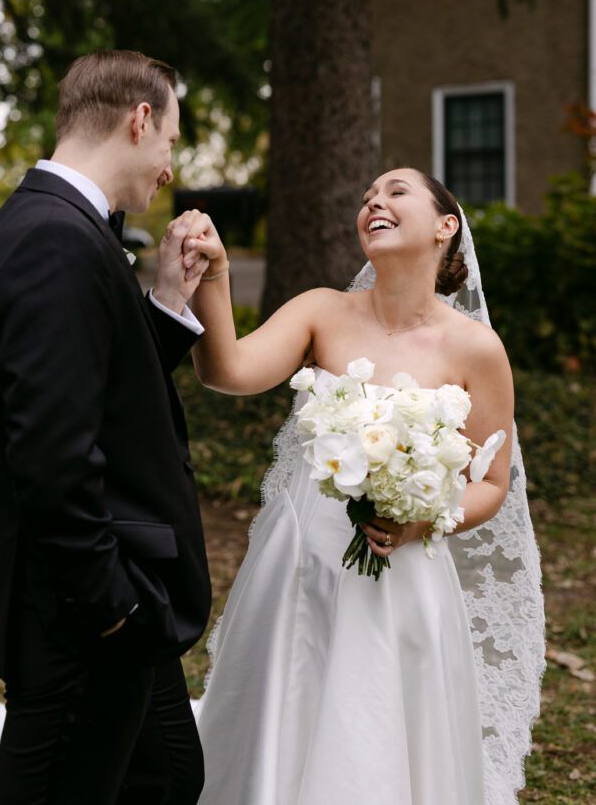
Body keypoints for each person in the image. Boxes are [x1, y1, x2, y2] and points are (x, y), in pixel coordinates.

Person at [177, 167, 544, 805]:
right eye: (367, 196)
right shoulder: (322, 310)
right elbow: (225, 369)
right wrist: (215, 276)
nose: (374, 200)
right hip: (302, 566)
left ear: (445, 226)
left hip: (403, 574)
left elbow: (491, 482)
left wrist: (423, 521)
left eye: (396, 191)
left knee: (376, 730)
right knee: (284, 712)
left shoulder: (477, 349)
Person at [0, 50, 216, 805]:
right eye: (170, 141)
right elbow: (50, 456)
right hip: (83, 611)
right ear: (139, 120)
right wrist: (114, 609)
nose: (168, 168)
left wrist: (166, 303)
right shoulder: (55, 241)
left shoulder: (58, 225)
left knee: (169, 773)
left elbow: (98, 386)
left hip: (111, 589)